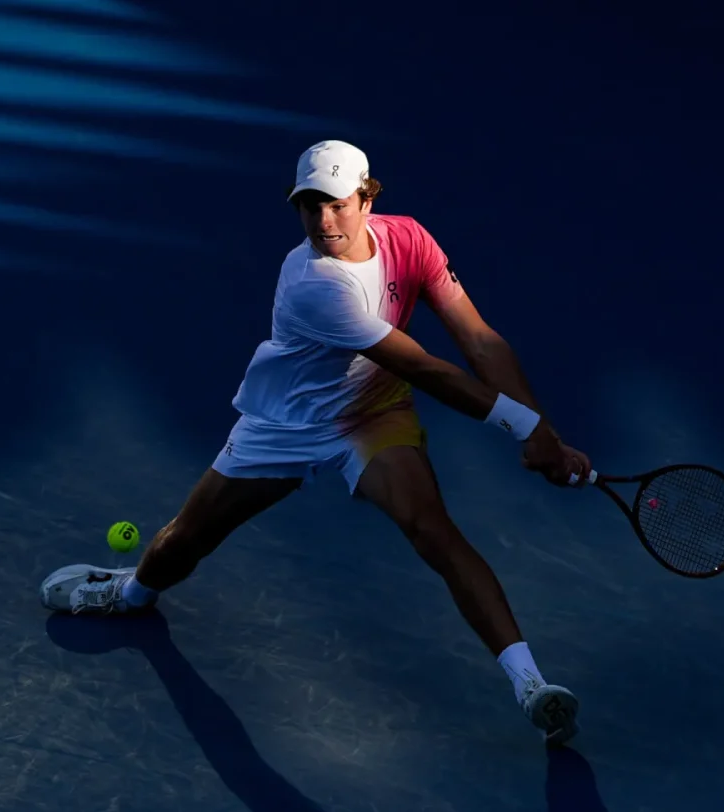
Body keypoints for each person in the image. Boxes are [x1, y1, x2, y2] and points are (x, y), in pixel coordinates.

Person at [39, 140, 591, 744]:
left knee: (432, 529)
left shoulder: (410, 240)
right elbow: (425, 368)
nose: (324, 222)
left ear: (367, 198)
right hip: (287, 424)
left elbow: (480, 340)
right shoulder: (313, 283)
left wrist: (544, 431)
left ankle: (531, 685)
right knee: (190, 538)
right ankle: (131, 592)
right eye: (309, 206)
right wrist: (527, 429)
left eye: (337, 204)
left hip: (373, 412)